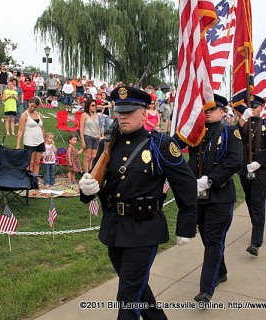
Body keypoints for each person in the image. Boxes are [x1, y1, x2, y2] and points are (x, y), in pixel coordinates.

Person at [78, 86, 197, 320]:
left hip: (144, 230)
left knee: (128, 297)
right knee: (138, 291)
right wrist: (85, 189)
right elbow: (93, 186)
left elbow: (186, 184)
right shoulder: (107, 146)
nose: (123, 116)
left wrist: (186, 224)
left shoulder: (160, 145)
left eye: (130, 111)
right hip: (114, 229)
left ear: (144, 113)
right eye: (120, 111)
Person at [174, 94, 242, 304]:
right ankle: (220, 271)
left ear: (222, 112)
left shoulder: (231, 132)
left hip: (220, 196)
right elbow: (175, 147)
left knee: (213, 241)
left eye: (212, 110)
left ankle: (206, 290)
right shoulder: (195, 133)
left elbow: (234, 161)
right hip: (198, 198)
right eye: (205, 110)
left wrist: (210, 180)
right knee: (208, 240)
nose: (208, 113)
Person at [237, 95, 266, 256]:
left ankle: (256, 241)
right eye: (250, 106)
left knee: (258, 202)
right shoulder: (243, 123)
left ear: (261, 107)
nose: (253, 108)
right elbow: (234, 136)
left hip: (260, 170)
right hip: (245, 169)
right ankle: (257, 227)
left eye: (255, 106)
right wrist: (242, 120)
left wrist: (259, 162)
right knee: (249, 201)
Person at [16, 97, 45, 176]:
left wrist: (44, 140)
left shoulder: (39, 115)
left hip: (40, 141)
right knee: (30, 163)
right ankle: (29, 179)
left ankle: (36, 179)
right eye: (31, 106)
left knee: (37, 162)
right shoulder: (24, 115)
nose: (32, 108)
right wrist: (18, 144)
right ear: (29, 103)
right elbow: (20, 130)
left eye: (34, 107)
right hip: (30, 141)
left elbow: (42, 128)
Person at [79, 99, 101, 173]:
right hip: (87, 136)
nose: (94, 107)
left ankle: (91, 172)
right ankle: (86, 173)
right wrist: (82, 141)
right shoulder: (84, 115)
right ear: (88, 106)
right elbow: (81, 128)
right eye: (92, 105)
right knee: (87, 157)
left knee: (93, 156)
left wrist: (99, 136)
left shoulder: (97, 115)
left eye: (95, 105)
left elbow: (98, 127)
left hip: (96, 137)